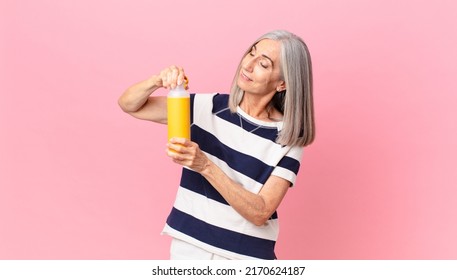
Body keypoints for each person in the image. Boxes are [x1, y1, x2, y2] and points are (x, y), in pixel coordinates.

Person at [118, 30, 314, 260]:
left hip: (245, 258)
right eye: (250, 53)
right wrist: (157, 81)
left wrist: (204, 165)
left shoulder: (287, 138)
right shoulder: (208, 107)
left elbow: (261, 212)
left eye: (263, 63)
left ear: (282, 83)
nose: (248, 65)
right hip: (188, 247)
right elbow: (130, 105)